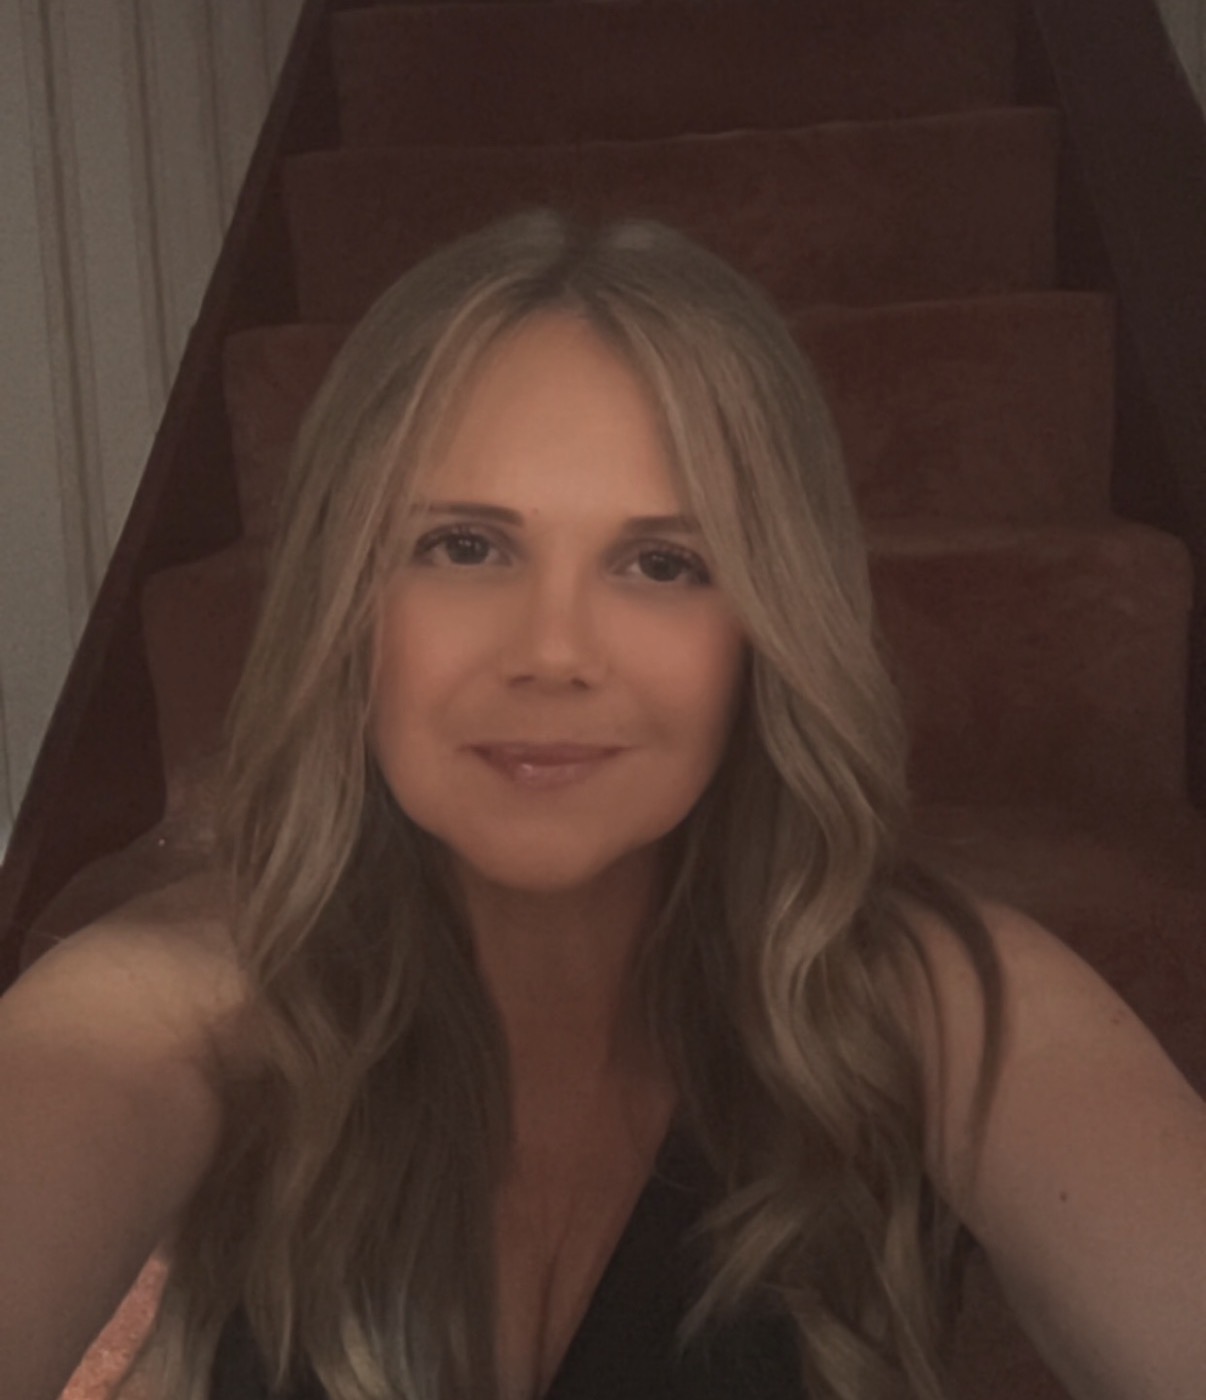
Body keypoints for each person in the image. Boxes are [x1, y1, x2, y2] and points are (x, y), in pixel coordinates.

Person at [1, 208, 1203, 1400]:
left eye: (663, 562)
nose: (555, 650)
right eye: (466, 545)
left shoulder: (935, 1001)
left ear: (764, 636)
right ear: (346, 604)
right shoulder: (168, 1008)